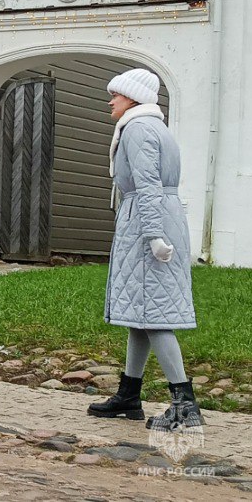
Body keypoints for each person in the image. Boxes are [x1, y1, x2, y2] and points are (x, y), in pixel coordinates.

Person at [88, 68, 200, 431]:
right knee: (141, 312)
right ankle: (129, 395)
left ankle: (185, 406)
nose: (111, 100)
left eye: (116, 95)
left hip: (148, 220)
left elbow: (148, 183)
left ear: (133, 98)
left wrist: (152, 234)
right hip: (150, 216)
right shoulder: (152, 127)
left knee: (156, 314)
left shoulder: (137, 129)